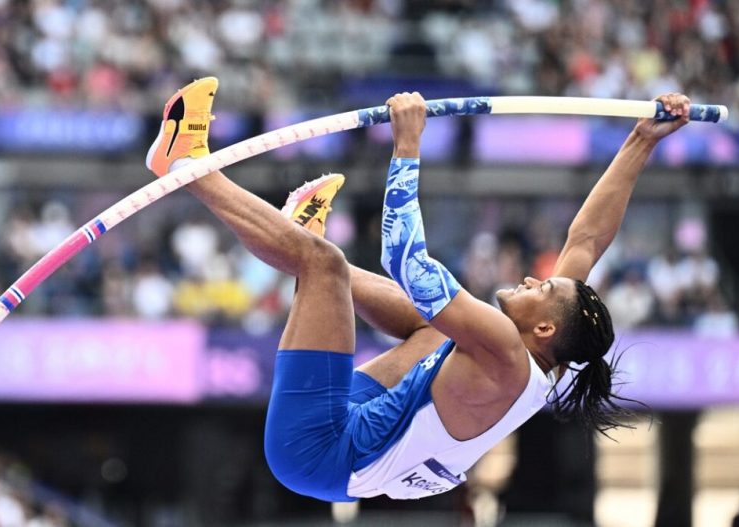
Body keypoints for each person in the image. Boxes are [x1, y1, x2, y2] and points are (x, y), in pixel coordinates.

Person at [145, 77, 691, 502]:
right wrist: (642, 140)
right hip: (365, 429)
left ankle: (184, 165)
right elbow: (588, 238)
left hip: (320, 452)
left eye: (541, 287)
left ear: (544, 327)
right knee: (433, 329)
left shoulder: (504, 353)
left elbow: (406, 260)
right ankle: (295, 239)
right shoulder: (543, 350)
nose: (531, 277)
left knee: (324, 264)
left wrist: (406, 143)